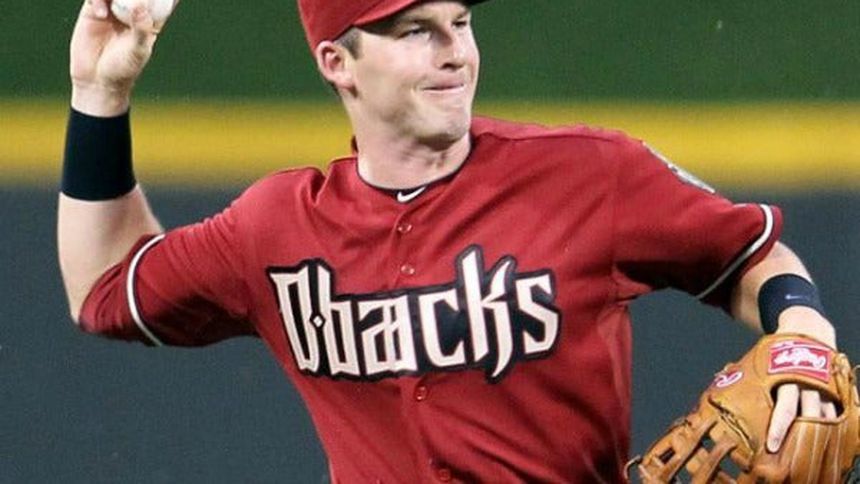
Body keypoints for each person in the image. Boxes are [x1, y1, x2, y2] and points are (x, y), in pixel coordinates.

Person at [59, 0, 841, 481]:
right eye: (416, 30)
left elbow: (749, 257)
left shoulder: (589, 174)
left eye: (460, 22)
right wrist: (100, 93)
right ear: (338, 62)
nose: (455, 51)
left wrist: (803, 337)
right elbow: (104, 287)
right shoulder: (277, 228)